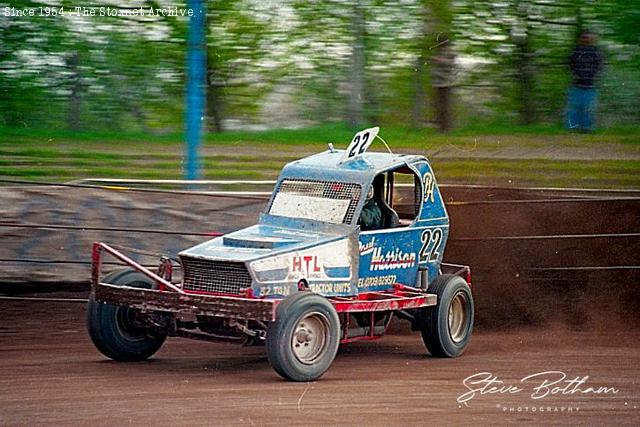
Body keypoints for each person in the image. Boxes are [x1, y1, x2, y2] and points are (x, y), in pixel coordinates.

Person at [567, 30, 603, 132]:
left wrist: (593, 76)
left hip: (591, 85)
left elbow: (599, 66)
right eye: (583, 37)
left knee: (589, 107)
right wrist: (576, 75)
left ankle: (587, 128)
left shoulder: (596, 52)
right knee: (574, 107)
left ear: (591, 39)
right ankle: (572, 128)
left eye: (587, 37)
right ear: (580, 39)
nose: (585, 39)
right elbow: (570, 65)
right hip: (576, 85)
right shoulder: (575, 51)